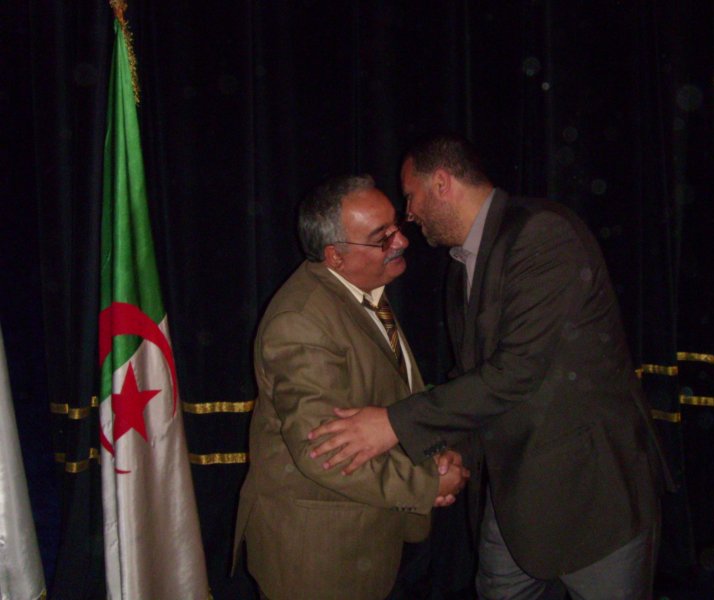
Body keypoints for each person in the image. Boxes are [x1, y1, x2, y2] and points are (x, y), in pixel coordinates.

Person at [308, 134, 673, 599]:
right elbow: (474, 380)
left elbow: (515, 372)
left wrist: (392, 424)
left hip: (593, 495)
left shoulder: (541, 234)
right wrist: (449, 452)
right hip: (516, 496)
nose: (409, 214)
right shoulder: (463, 264)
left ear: (442, 184)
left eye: (411, 196)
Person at [233, 174, 470, 600]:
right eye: (382, 238)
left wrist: (433, 450)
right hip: (317, 556)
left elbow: (393, 394)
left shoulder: (362, 290)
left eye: (396, 226)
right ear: (335, 256)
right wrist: (426, 485)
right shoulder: (301, 322)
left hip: (358, 536)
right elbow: (324, 452)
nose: (402, 241)